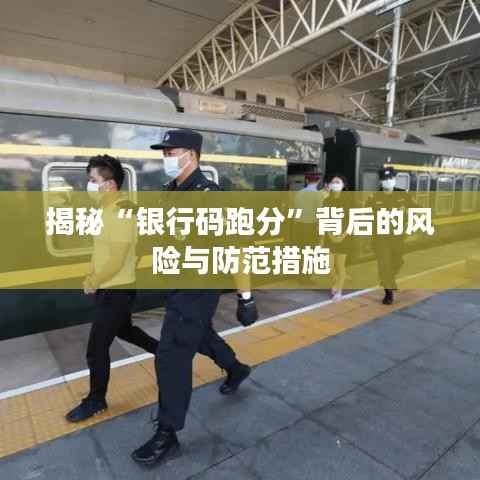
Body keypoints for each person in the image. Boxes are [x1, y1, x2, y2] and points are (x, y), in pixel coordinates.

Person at [131, 129, 258, 466]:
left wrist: (246, 297)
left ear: (192, 155)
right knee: (200, 336)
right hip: (177, 285)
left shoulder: (210, 197)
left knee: (170, 357)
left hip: (197, 290)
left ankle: (167, 434)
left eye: (171, 152)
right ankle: (236, 368)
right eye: (164, 153)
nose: (166, 158)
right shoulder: (170, 192)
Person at [66, 155, 159, 423]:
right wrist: (92, 274)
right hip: (110, 288)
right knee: (125, 330)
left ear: (109, 184)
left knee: (96, 349)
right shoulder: (106, 211)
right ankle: (165, 352)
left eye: (93, 180)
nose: (89, 185)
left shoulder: (119, 213)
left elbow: (117, 259)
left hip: (117, 290)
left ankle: (96, 400)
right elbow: (102, 252)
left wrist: (94, 281)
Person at [366, 166, 416, 305]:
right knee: (384, 264)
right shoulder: (373, 197)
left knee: (399, 261)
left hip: (397, 237)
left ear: (394, 179)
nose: (387, 181)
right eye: (385, 179)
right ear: (381, 181)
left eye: (390, 178)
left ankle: (387, 278)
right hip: (380, 238)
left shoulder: (403, 194)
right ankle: (388, 294)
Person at [322, 174, 351, 301]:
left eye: (338, 182)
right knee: (328, 267)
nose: (334, 184)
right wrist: (330, 235)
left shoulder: (349, 200)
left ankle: (339, 290)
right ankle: (336, 282)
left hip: (344, 238)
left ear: (343, 185)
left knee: (340, 266)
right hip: (329, 238)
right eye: (333, 182)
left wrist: (342, 236)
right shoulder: (326, 201)